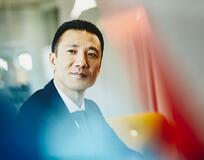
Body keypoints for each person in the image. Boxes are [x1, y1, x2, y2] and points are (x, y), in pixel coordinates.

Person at [17, 19, 143, 160]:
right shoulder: (33, 112)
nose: (82, 62)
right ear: (53, 60)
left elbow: (121, 153)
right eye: (72, 51)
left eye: (91, 54)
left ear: (99, 68)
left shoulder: (92, 108)